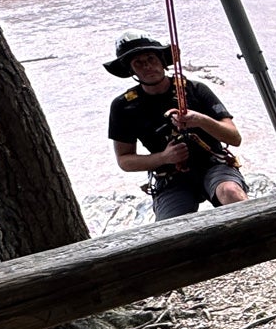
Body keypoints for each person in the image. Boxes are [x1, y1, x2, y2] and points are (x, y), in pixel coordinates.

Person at [105, 32, 249, 221]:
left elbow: (234, 137)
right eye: (138, 63)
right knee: (170, 228)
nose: (147, 66)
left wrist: (201, 120)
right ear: (131, 71)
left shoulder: (195, 90)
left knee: (230, 192)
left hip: (213, 164)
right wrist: (164, 157)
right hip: (170, 178)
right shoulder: (124, 106)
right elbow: (125, 160)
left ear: (162, 61)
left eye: (151, 59)